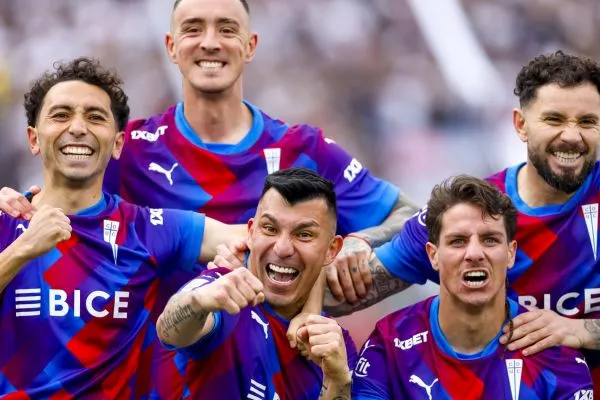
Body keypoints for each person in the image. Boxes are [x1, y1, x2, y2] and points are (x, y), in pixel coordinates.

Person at [0, 0, 417, 397]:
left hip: (286, 368)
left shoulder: (305, 149)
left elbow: (409, 222)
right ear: (171, 46)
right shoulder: (132, 151)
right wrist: (17, 209)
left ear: (250, 45)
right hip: (173, 375)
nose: (211, 42)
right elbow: (66, 187)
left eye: (227, 29)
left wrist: (360, 242)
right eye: (194, 29)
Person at [318, 50, 600, 389]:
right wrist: (358, 245)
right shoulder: (474, 216)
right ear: (521, 125)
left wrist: (581, 329)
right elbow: (334, 296)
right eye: (554, 120)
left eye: (587, 122)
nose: (572, 136)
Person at [0, 57, 247, 398]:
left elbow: (258, 242)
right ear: (33, 139)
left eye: (95, 117)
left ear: (117, 144)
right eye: (61, 115)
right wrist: (22, 250)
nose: (78, 127)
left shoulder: (147, 230)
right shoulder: (5, 222)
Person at [352, 175, 594, 399]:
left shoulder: (554, 356)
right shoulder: (389, 344)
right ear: (433, 255)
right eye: (458, 241)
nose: (475, 253)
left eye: (490, 240)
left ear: (511, 253)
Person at [157, 168, 355, 400]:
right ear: (251, 233)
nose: (282, 249)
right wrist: (198, 301)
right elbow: (168, 332)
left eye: (304, 234)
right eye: (270, 229)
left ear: (332, 250)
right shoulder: (223, 290)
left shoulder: (335, 345)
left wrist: (337, 381)